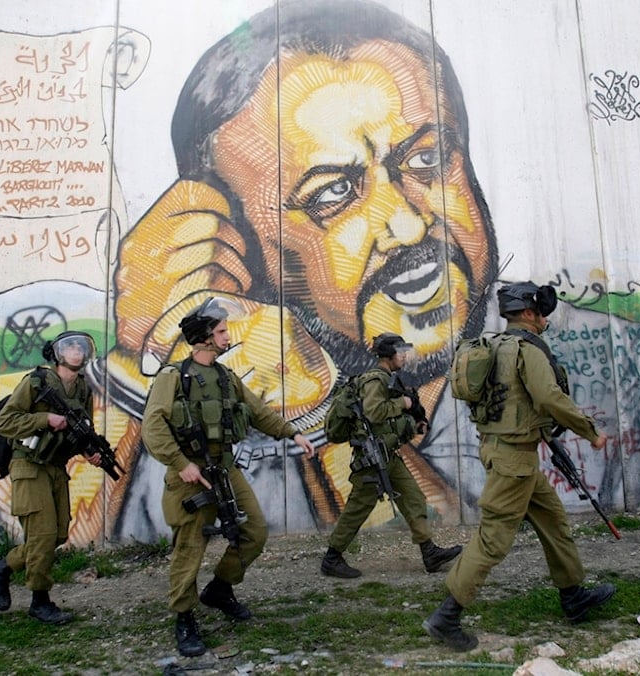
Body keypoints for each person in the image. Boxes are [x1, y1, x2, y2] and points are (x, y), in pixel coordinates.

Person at [99, 0, 499, 538]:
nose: (406, 224)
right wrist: (132, 361)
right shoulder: (217, 391)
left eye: (427, 160)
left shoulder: (635, 381)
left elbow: (441, 524)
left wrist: (321, 409)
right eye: (334, 193)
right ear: (234, 246)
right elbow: (67, 541)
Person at [423, 282, 615, 651]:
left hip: (508, 452)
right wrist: (589, 431)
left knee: (553, 520)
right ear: (528, 313)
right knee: (494, 538)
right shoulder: (527, 350)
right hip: (514, 460)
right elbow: (548, 396)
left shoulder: (494, 345)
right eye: (541, 311)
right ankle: (446, 616)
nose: (545, 318)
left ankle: (573, 595)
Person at [140, 297, 317, 658]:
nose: (226, 336)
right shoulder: (174, 377)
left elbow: (257, 412)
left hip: (224, 467)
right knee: (190, 546)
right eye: (220, 331)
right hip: (189, 473)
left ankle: (219, 589)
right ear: (203, 338)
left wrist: (292, 433)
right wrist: (180, 463)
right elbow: (153, 426)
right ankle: (184, 616)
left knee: (254, 530)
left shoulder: (225, 377)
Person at [0, 331, 103, 624]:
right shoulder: (36, 383)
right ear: (58, 353)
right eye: (70, 346)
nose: (77, 350)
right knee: (43, 535)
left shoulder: (83, 390)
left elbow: (80, 430)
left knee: (59, 533)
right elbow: (6, 421)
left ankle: (2, 568)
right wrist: (44, 419)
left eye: (81, 346)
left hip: (55, 467)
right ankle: (40, 601)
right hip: (29, 466)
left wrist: (89, 451)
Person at [321, 333, 462, 578]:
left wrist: (411, 424)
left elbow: (385, 420)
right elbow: (374, 413)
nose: (404, 356)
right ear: (389, 355)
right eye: (400, 352)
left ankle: (429, 552)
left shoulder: (388, 379)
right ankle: (332, 558)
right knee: (359, 506)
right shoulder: (375, 379)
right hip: (372, 457)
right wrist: (404, 404)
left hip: (388, 455)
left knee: (413, 497)